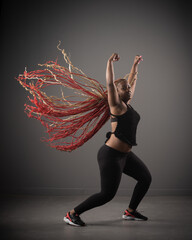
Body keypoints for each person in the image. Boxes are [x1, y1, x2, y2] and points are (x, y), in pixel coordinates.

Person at [63, 53, 152, 227]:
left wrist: (135, 64)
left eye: (128, 88)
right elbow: (110, 84)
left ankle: (130, 212)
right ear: (117, 93)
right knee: (107, 194)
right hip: (111, 155)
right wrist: (109, 62)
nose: (129, 89)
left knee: (145, 178)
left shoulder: (128, 104)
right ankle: (72, 214)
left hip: (125, 155)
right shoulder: (116, 106)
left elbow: (132, 79)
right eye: (125, 88)